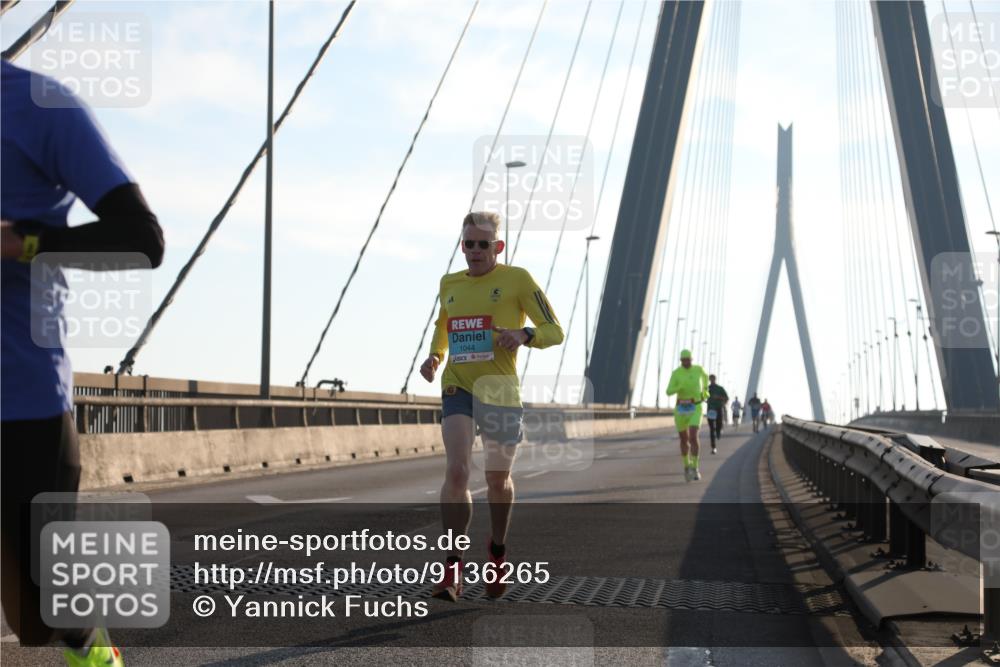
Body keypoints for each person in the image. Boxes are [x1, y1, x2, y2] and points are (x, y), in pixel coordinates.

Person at [2, 60, 164, 666]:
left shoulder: (39, 105)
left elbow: (143, 239)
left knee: (44, 612)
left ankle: (96, 654)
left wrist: (26, 243)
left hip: (18, 398)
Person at [420, 211, 563, 601]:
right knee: (458, 470)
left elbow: (555, 330)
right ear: (462, 244)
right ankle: (452, 568)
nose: (475, 251)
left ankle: (497, 551)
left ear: (498, 247)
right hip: (458, 386)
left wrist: (524, 334)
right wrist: (435, 356)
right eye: (469, 243)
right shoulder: (448, 283)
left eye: (484, 244)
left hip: (500, 391)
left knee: (498, 479)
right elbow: (443, 326)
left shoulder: (518, 280)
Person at [666, 349, 709, 482]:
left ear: (692, 359)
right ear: (680, 361)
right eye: (683, 360)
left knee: (693, 436)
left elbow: (706, 377)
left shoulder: (698, 369)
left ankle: (695, 468)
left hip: (695, 406)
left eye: (688, 360)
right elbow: (668, 391)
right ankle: (687, 466)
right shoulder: (676, 373)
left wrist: (705, 391)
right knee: (683, 440)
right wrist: (678, 387)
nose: (686, 362)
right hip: (680, 409)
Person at [705, 374, 729, 454]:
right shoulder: (707, 388)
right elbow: (703, 396)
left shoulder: (720, 388)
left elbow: (726, 398)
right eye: (710, 379)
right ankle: (713, 447)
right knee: (711, 429)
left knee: (719, 424)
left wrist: (719, 398)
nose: (711, 380)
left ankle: (718, 431)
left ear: (715, 379)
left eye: (713, 379)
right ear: (709, 379)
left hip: (718, 408)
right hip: (710, 409)